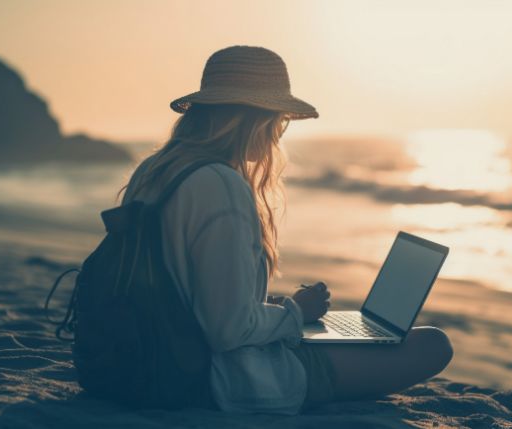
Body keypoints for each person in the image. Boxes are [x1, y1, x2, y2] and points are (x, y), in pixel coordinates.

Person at [120, 45, 453, 415]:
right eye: (280, 120)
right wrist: (295, 313)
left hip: (147, 357)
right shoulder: (220, 184)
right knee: (433, 345)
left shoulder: (154, 170)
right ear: (257, 119)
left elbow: (188, 292)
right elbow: (227, 330)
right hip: (221, 379)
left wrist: (274, 310)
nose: (279, 134)